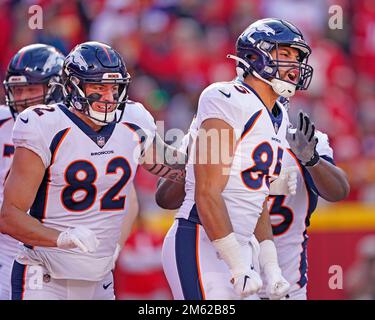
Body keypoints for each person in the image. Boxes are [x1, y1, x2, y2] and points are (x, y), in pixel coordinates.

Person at [0, 41, 184, 300]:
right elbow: (9, 216)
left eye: (115, 88)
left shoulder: (133, 121)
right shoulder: (44, 125)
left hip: (98, 277)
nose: (108, 97)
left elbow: (174, 165)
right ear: (73, 86)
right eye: (98, 87)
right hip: (44, 275)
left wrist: (211, 156)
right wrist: (62, 237)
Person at [160, 18, 313, 300]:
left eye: (297, 57)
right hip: (202, 241)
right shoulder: (225, 97)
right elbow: (206, 192)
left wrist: (270, 265)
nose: (294, 64)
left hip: (243, 246)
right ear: (256, 56)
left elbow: (255, 199)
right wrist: (237, 264)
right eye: (285, 54)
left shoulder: (278, 116)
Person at [0, 44, 65, 300]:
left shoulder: (78, 127)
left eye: (32, 89)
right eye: (18, 90)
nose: (24, 98)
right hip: (8, 245)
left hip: (66, 247)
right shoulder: (4, 123)